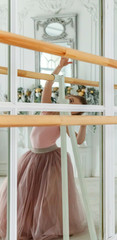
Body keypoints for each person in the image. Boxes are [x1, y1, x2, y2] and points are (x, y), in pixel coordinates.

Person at [0, 57, 87, 240]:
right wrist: (59, 66)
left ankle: (51, 225)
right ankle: (25, 222)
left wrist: (84, 125)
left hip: (51, 158)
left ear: (75, 114)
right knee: (23, 193)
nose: (68, 102)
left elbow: (78, 141)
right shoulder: (47, 108)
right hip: (32, 156)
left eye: (73, 105)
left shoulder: (66, 121)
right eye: (69, 99)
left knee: (48, 196)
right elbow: (47, 86)